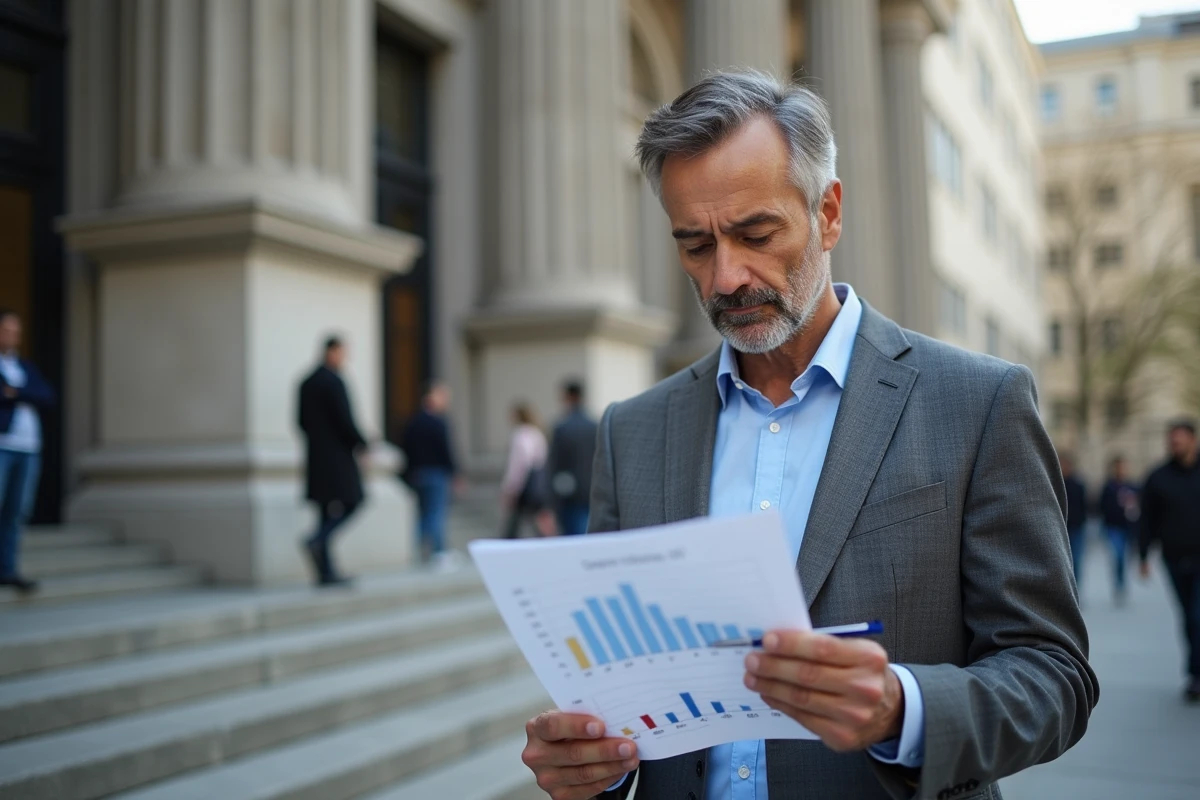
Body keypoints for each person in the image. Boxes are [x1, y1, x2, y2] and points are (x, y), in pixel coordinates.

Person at [519, 71, 1096, 800]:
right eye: (695, 246)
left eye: (756, 234)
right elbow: (619, 690)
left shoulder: (977, 403)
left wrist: (900, 708)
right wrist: (591, 767)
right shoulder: (631, 433)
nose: (727, 276)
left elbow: (1053, 676)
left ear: (828, 213)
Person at [1138, 419, 1200, 703]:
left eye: (1181, 438)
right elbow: (1146, 519)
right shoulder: (1158, 477)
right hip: (1174, 558)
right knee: (1189, 617)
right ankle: (1195, 674)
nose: (1175, 443)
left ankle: (1195, 675)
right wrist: (1142, 556)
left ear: (1192, 440)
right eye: (1172, 439)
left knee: (1198, 617)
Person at [297, 336, 367, 586]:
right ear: (332, 352)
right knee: (355, 501)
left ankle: (326, 572)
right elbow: (345, 420)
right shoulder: (334, 381)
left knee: (324, 511)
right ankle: (318, 539)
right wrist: (362, 443)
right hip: (337, 458)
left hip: (316, 458)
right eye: (342, 353)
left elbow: (301, 422)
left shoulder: (306, 382)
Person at [0, 310, 56, 594]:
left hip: (28, 448)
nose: (14, 336)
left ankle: (7, 570)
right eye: (8, 330)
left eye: (16, 330)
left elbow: (47, 396)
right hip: (2, 447)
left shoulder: (24, 366)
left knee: (16, 512)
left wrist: (16, 393)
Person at [399, 382, 462, 568]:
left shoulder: (413, 422)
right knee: (435, 513)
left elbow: (406, 449)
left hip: (417, 474)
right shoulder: (438, 423)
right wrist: (455, 472)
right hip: (435, 473)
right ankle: (438, 552)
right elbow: (446, 450)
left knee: (423, 514)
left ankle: (417, 551)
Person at [546, 380, 598, 536]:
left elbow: (553, 465)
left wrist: (550, 502)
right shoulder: (595, 425)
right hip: (594, 490)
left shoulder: (562, 428)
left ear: (568, 397)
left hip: (569, 494)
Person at [501, 403, 552, 539]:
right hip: (538, 482)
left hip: (525, 484)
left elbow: (518, 464)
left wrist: (510, 488)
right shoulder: (537, 433)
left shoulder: (520, 435)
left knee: (514, 523)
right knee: (537, 519)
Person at [1099, 455, 1138, 604]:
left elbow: (1139, 508)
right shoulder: (1108, 487)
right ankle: (1119, 585)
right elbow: (1101, 507)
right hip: (1113, 527)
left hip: (1128, 527)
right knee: (1118, 556)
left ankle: (1122, 583)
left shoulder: (1133, 486)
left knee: (1125, 558)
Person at [1061, 452, 1088, 587]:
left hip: (1076, 526)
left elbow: (1084, 505)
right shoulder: (1055, 484)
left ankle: (1076, 587)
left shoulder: (1078, 485)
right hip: (1061, 527)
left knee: (1076, 559)